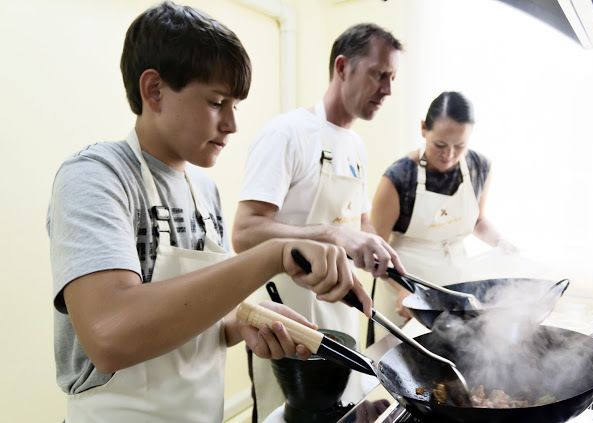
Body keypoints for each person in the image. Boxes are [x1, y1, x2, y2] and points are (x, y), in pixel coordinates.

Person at [46, 3, 371, 422]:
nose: (232, 124)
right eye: (218, 102)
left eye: (235, 104)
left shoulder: (203, 189)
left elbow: (192, 314)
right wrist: (272, 254)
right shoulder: (96, 176)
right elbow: (111, 334)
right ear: (154, 91)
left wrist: (245, 320)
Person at [232, 23, 405, 421]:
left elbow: (358, 226)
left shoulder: (356, 146)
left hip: (341, 319)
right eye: (379, 74)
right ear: (343, 67)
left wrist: (393, 273)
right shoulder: (287, 134)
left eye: (393, 78)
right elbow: (245, 232)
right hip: (284, 330)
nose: (388, 90)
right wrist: (329, 234)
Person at [371, 91, 517, 324]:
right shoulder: (398, 178)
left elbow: (477, 220)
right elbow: (373, 248)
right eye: (439, 144)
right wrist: (403, 289)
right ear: (423, 129)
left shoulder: (479, 167)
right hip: (405, 289)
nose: (449, 155)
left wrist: (502, 244)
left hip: (455, 286)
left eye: (459, 146)